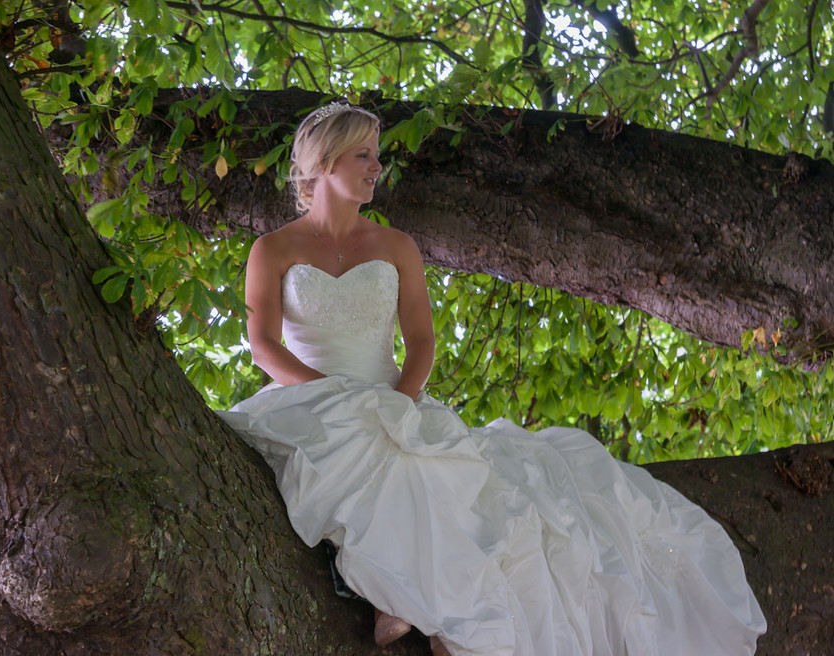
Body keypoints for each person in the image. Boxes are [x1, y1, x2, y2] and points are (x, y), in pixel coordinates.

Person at [219, 101, 767, 655]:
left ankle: (427, 606)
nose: (376, 167)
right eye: (364, 155)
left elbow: (422, 342)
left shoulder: (396, 247)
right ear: (326, 161)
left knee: (438, 474)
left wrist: (400, 403)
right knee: (352, 455)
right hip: (308, 393)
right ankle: (402, 591)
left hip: (391, 395)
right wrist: (327, 393)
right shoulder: (273, 249)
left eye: (376, 155)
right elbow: (262, 342)